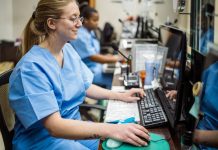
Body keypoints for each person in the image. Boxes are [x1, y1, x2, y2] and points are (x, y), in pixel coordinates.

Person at [9, 0, 150, 149]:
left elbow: (85, 86)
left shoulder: (67, 50)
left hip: (73, 128)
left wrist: (121, 95)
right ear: (51, 23)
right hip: (43, 140)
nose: (80, 24)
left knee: (121, 145)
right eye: (73, 18)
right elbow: (55, 127)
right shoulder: (31, 69)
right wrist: (111, 129)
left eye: (79, 18)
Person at [70, 6, 123, 89]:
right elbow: (93, 57)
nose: (97, 23)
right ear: (86, 20)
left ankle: (103, 97)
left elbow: (94, 52)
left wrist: (109, 57)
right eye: (94, 20)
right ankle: (105, 99)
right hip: (89, 71)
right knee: (116, 80)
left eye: (98, 20)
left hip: (97, 67)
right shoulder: (80, 36)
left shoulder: (89, 32)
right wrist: (116, 58)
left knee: (118, 73)